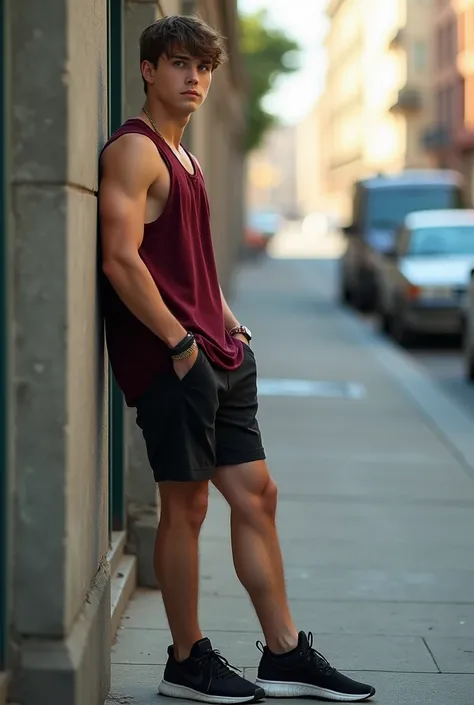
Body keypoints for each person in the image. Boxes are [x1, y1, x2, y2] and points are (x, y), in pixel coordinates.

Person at [99, 14, 376, 705]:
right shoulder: (135, 152)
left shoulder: (188, 157)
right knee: (185, 506)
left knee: (259, 496)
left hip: (217, 353)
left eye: (204, 68)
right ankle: (187, 660)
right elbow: (119, 259)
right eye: (180, 64)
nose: (193, 78)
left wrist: (229, 327)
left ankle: (284, 654)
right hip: (172, 361)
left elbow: (192, 264)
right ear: (148, 70)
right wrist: (180, 341)